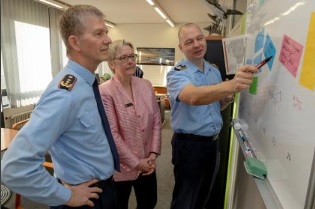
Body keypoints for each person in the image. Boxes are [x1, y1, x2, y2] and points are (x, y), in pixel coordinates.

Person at [1, 5, 120, 209]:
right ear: (75, 42)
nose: (108, 39)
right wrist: (65, 195)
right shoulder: (65, 94)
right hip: (83, 197)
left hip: (102, 188)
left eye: (106, 32)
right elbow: (15, 166)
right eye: (99, 33)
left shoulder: (85, 84)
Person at [166, 23, 258, 209]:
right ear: (181, 47)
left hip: (212, 144)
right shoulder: (176, 74)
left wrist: (226, 99)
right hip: (189, 146)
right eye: (189, 42)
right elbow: (193, 97)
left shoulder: (213, 70)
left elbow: (215, 107)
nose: (197, 44)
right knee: (185, 200)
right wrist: (231, 85)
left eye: (199, 38)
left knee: (203, 197)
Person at [99, 39, 162, 209]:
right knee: (119, 205)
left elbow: (156, 120)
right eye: (124, 58)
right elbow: (112, 133)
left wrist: (153, 155)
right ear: (112, 63)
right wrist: (136, 163)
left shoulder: (146, 85)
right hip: (122, 166)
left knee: (149, 202)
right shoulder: (105, 91)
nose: (130, 61)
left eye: (132, 56)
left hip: (148, 162)